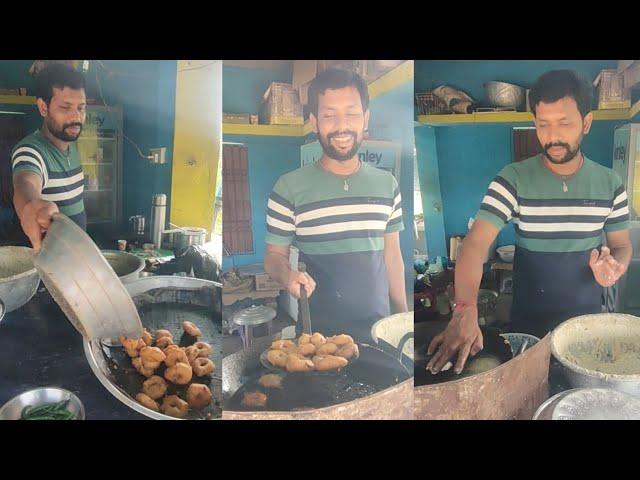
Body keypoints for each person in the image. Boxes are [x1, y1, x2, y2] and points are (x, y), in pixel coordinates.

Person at [427, 69, 632, 374]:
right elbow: (474, 245)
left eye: (564, 123)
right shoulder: (513, 179)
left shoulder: (610, 183)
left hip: (587, 328)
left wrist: (614, 268)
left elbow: (621, 246)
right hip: (528, 328)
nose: (553, 136)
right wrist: (464, 309)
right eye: (543, 124)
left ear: (586, 123)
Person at [264, 68, 408, 342]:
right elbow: (274, 257)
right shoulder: (288, 188)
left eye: (352, 113)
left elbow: (392, 258)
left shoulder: (387, 185)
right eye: (329, 115)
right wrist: (287, 276)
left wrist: (402, 320)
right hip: (316, 339)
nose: (342, 126)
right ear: (314, 121)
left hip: (379, 335)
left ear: (366, 119)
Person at [12, 63, 87, 251]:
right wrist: (31, 206)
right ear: (43, 107)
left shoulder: (71, 146)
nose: (76, 116)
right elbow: (25, 184)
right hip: (48, 272)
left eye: (81, 107)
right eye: (65, 107)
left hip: (75, 262)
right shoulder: (31, 150)